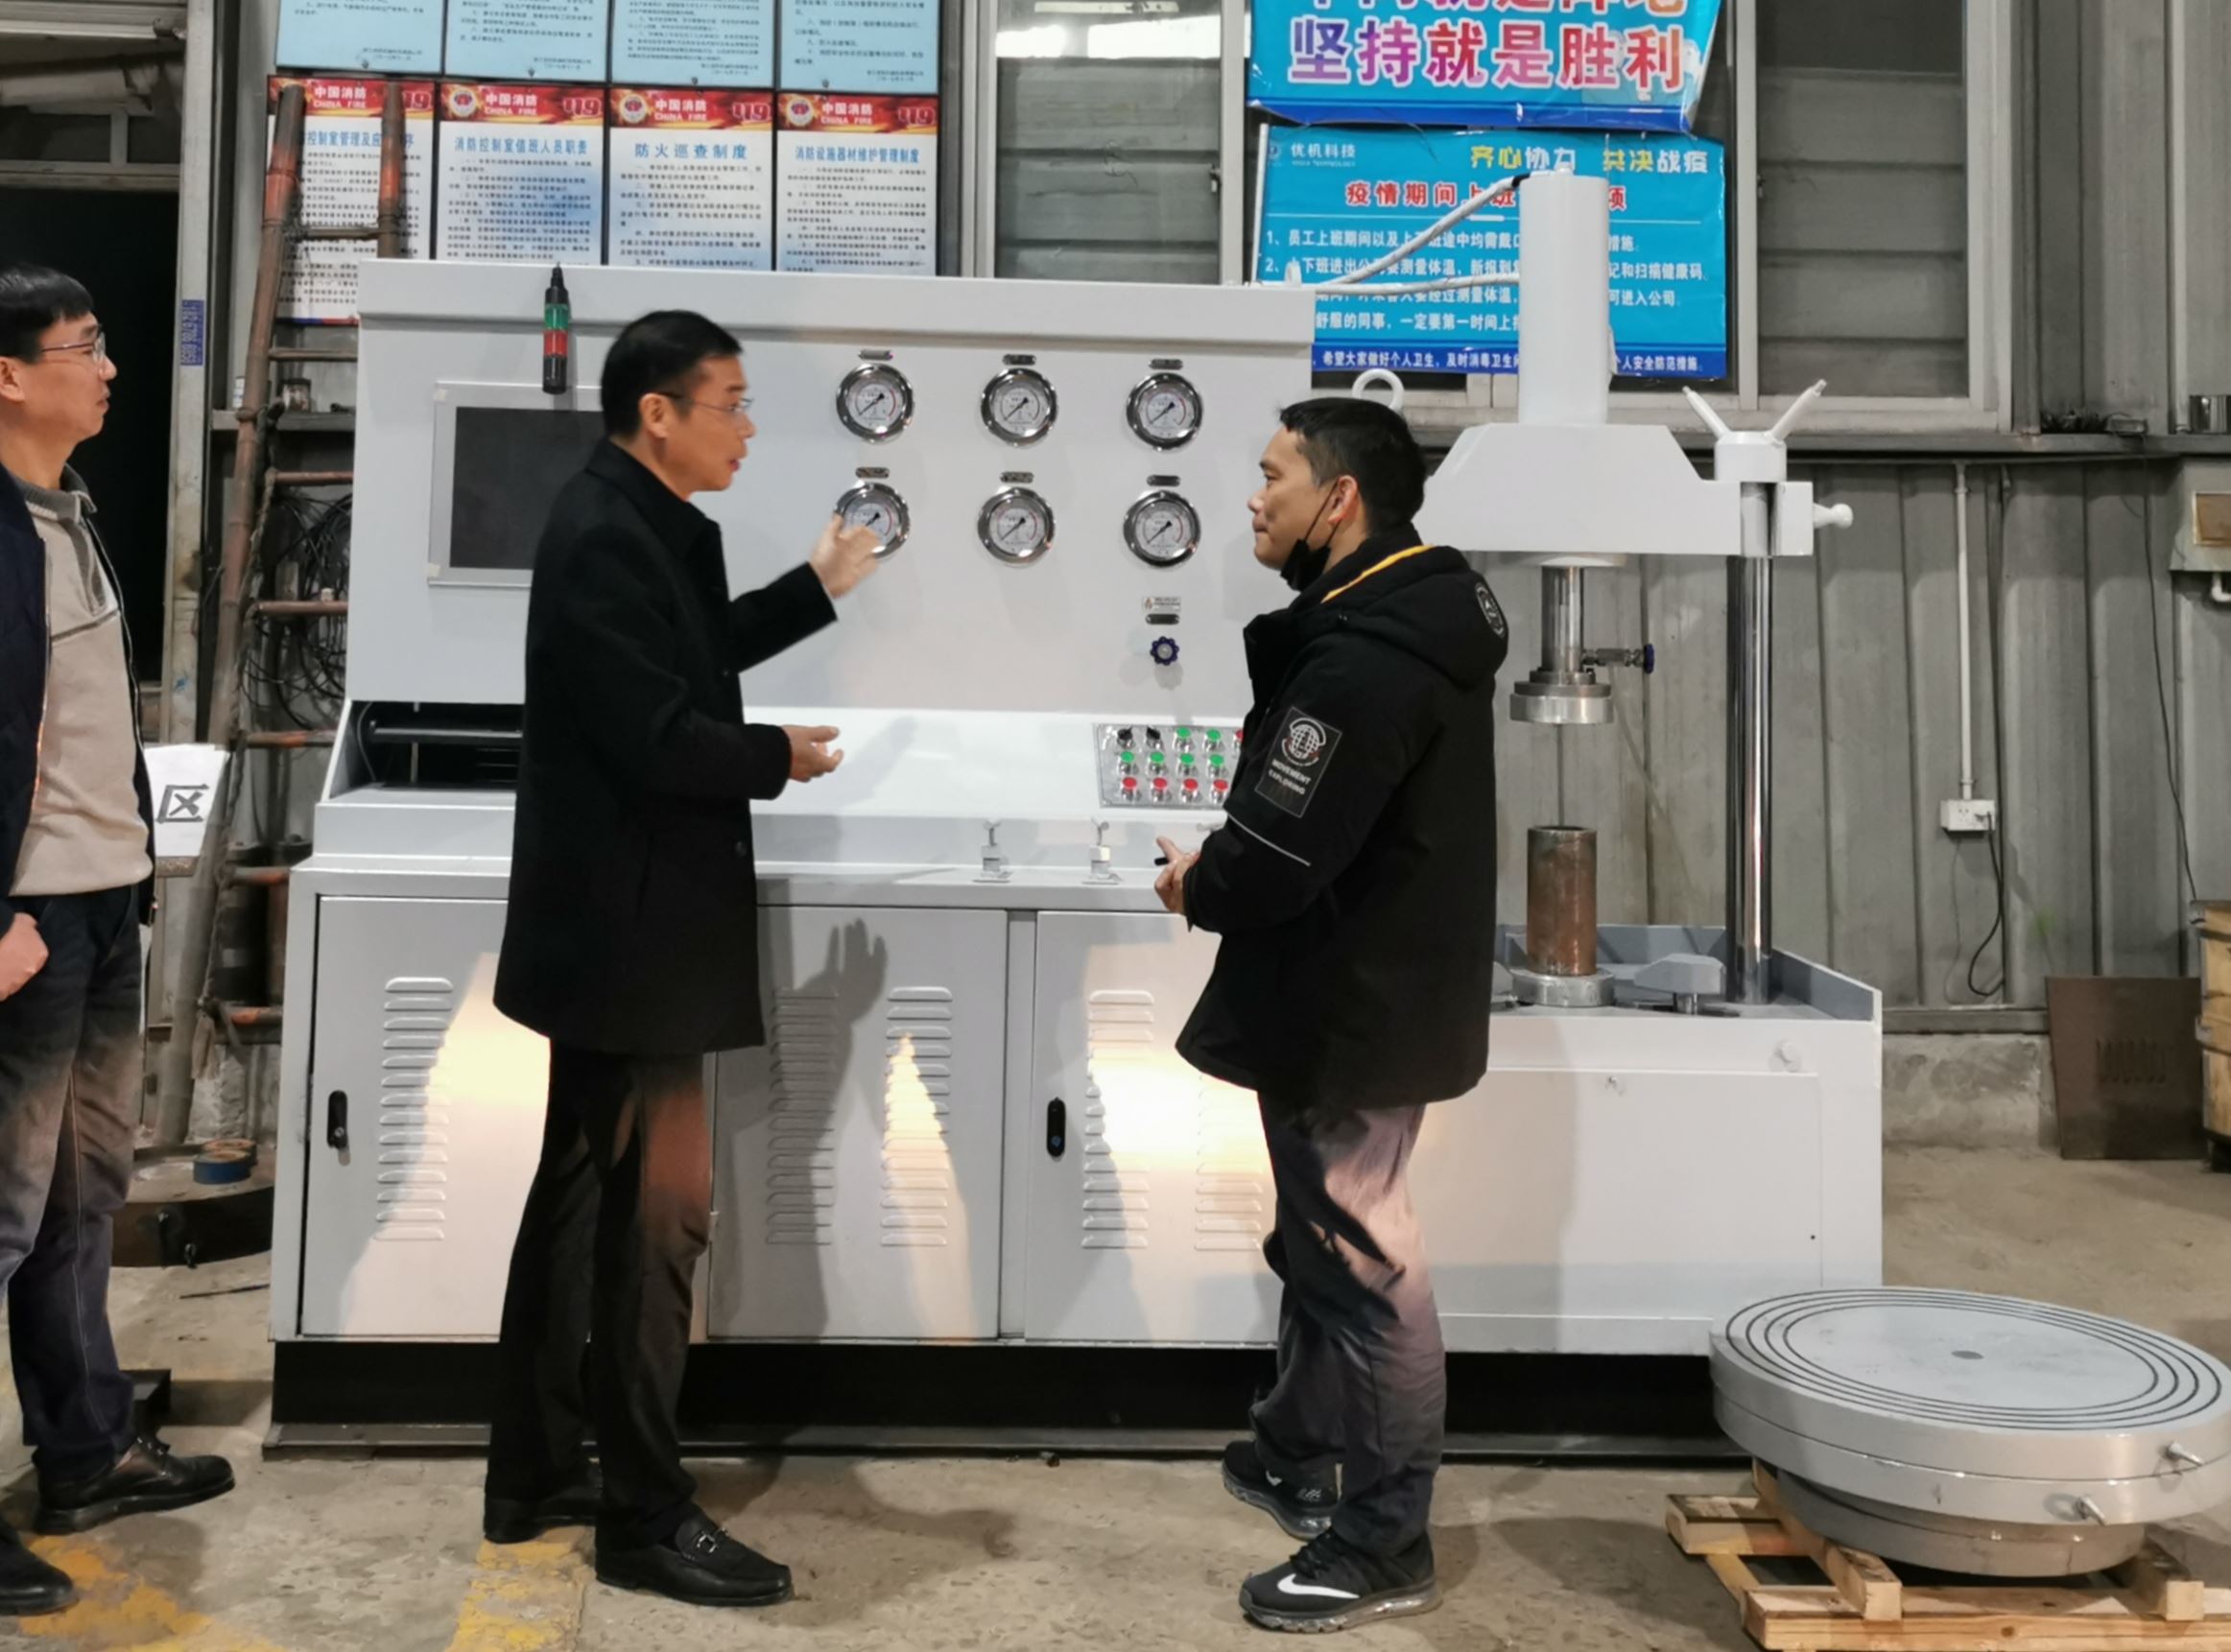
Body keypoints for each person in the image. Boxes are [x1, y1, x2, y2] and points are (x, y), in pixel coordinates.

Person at [485, 311, 882, 1609]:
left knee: (578, 1208)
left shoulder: (645, 523)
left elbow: (691, 653)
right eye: (731, 403)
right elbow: (656, 734)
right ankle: (643, 1514)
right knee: (660, 1222)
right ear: (658, 413)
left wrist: (815, 586)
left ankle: (537, 1469)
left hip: (621, 932)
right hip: (632, 944)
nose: (747, 428)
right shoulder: (603, 533)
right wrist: (779, 756)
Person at [1152, 397, 1507, 1634]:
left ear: (1338, 499)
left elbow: (1278, 853)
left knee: (1365, 1269)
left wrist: (1198, 883)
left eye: (1273, 476)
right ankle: (1299, 1452)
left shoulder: (1363, 659)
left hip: (1352, 1005)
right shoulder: (1402, 618)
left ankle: (1384, 1539)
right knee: (1315, 1241)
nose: (1255, 499)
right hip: (1365, 991)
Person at [0, 265, 235, 1618]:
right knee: (2, 1210)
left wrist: (132, 872)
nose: (108, 369)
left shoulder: (71, 511)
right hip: (24, 919)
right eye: (82, 349)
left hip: (99, 901)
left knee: (85, 1196)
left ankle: (86, 1452)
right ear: (9, 375)